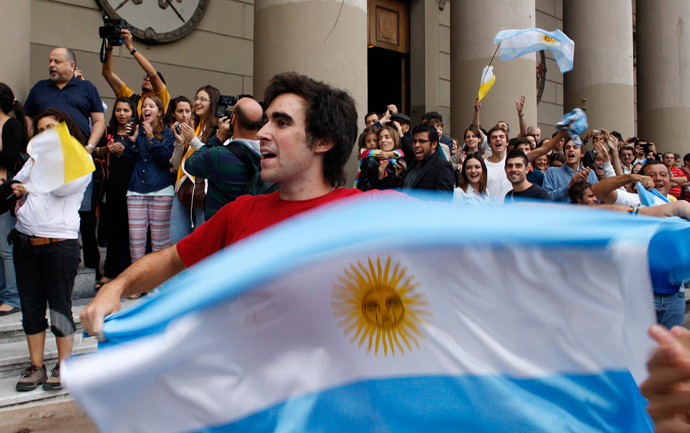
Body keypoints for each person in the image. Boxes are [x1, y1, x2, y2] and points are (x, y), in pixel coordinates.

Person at [80, 72, 366, 338]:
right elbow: (169, 259)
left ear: (324, 140)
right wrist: (116, 287)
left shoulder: (367, 215)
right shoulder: (240, 213)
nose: (264, 132)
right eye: (266, 121)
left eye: (281, 122)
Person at [12, 110, 91, 391]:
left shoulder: (81, 160)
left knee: (60, 308)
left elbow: (61, 189)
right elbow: (16, 186)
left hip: (60, 246)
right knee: (31, 309)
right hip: (26, 243)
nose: (46, 133)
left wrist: (40, 172)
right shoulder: (33, 160)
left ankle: (64, 364)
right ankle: (35, 367)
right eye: (41, 129)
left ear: (66, 130)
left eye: (52, 128)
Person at [23, 47, 105, 282]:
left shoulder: (87, 87)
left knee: (84, 215)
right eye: (50, 61)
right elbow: (28, 116)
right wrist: (33, 138)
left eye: (57, 61)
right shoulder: (39, 88)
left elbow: (99, 120)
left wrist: (89, 147)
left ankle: (92, 271)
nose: (52, 65)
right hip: (45, 160)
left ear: (71, 65)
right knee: (48, 206)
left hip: (77, 158)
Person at [592, 160, 683, 328]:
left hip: (674, 296)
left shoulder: (679, 207)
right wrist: (631, 177)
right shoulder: (633, 201)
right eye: (651, 175)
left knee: (669, 350)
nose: (658, 179)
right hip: (639, 293)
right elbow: (598, 190)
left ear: (670, 180)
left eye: (663, 175)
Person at [184, 97, 265, 219]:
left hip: (221, 228)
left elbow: (190, 164)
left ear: (233, 119)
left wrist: (217, 138)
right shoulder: (268, 155)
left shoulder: (218, 156)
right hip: (252, 225)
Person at [122, 95, 175, 266]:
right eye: (144, 106)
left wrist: (152, 138)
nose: (146, 109)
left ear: (160, 112)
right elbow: (127, 162)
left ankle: (159, 285)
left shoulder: (168, 133)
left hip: (162, 191)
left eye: (151, 106)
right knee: (136, 242)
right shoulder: (137, 131)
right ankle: (138, 284)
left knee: (160, 243)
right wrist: (130, 142)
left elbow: (165, 159)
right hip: (136, 190)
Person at [97, 97, 136, 289]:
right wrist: (108, 149)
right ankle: (109, 272)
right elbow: (93, 151)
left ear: (132, 113)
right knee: (112, 231)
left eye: (126, 110)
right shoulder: (107, 132)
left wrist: (125, 152)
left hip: (131, 187)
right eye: (118, 110)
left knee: (129, 231)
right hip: (110, 187)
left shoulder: (136, 133)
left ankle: (125, 272)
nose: (122, 114)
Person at [0, 83, 29, 316]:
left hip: (6, 193)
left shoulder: (12, 125)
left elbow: (11, 157)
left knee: (5, 248)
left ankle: (12, 297)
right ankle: (4, 294)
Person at [101, 29, 171, 116]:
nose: (147, 79)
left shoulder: (161, 98)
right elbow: (107, 73)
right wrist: (110, 46)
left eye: (150, 80)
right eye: (145, 78)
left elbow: (153, 75)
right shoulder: (131, 98)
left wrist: (131, 47)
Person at [166, 96, 203, 243]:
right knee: (176, 238)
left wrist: (192, 138)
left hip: (200, 188)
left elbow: (206, 154)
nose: (184, 115)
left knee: (200, 238)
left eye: (188, 111)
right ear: (174, 113)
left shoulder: (201, 128)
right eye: (180, 111)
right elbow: (176, 165)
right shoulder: (177, 131)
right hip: (181, 186)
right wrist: (180, 142)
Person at [397, 123, 455, 202]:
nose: (416, 145)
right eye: (414, 141)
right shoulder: (413, 161)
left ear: (434, 144)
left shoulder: (442, 166)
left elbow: (443, 202)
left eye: (422, 141)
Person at [356, 125, 406, 192]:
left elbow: (404, 190)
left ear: (395, 140)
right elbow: (361, 189)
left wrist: (397, 176)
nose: (383, 140)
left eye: (387, 137)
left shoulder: (400, 162)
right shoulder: (371, 160)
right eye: (380, 139)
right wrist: (379, 178)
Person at [483, 126, 513, 203]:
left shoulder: (513, 164)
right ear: (489, 143)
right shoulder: (482, 165)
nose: (498, 139)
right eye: (494, 137)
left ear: (507, 142)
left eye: (501, 137)